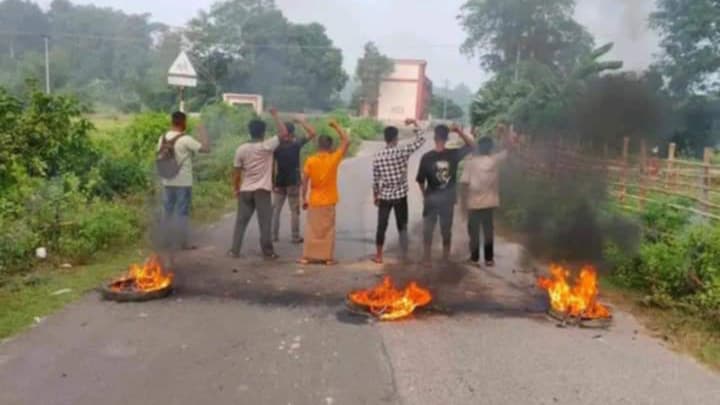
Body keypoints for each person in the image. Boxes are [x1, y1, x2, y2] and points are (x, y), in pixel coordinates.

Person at [229, 108, 289, 259]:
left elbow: (236, 173)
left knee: (241, 222)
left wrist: (236, 189)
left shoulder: (241, 149)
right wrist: (275, 115)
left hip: (245, 190)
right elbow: (284, 133)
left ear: (249, 131)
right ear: (263, 133)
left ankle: (234, 250)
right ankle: (268, 253)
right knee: (265, 223)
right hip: (262, 190)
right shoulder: (266, 146)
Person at [416, 124, 475, 262]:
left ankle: (426, 259)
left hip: (431, 198)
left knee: (428, 229)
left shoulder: (426, 157)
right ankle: (445, 259)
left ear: (435, 137)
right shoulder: (453, 154)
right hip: (447, 199)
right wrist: (459, 131)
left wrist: (425, 195)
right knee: (446, 230)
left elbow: (420, 180)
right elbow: (472, 146)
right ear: (447, 138)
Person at [371, 118, 427, 264]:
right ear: (396, 138)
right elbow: (421, 140)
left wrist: (375, 196)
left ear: (385, 139)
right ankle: (404, 256)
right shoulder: (402, 151)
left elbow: (376, 180)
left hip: (385, 196)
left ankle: (378, 256)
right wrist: (415, 123)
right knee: (402, 226)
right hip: (401, 195)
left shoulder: (378, 157)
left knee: (381, 226)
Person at [298, 120, 351, 265]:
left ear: (318, 145)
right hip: (329, 200)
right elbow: (347, 140)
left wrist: (303, 198)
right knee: (328, 230)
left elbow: (305, 181)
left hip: (314, 199)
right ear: (330, 147)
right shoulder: (333, 159)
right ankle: (327, 258)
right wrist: (336, 126)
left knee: (312, 229)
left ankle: (307, 257)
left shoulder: (310, 160)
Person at [157, 111, 210, 250]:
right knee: (182, 212)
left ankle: (165, 241)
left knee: (167, 211)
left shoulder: (162, 138)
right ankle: (182, 242)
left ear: (172, 122)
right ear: (183, 122)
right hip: (183, 182)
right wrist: (202, 131)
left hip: (167, 181)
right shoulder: (186, 139)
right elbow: (206, 149)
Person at [272, 116, 317, 244]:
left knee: (276, 210)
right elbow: (313, 133)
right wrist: (302, 121)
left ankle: (273, 236)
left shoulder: (276, 147)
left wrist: (272, 182)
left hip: (279, 181)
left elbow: (273, 166)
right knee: (294, 210)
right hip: (293, 181)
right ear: (292, 133)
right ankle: (295, 236)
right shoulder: (296, 144)